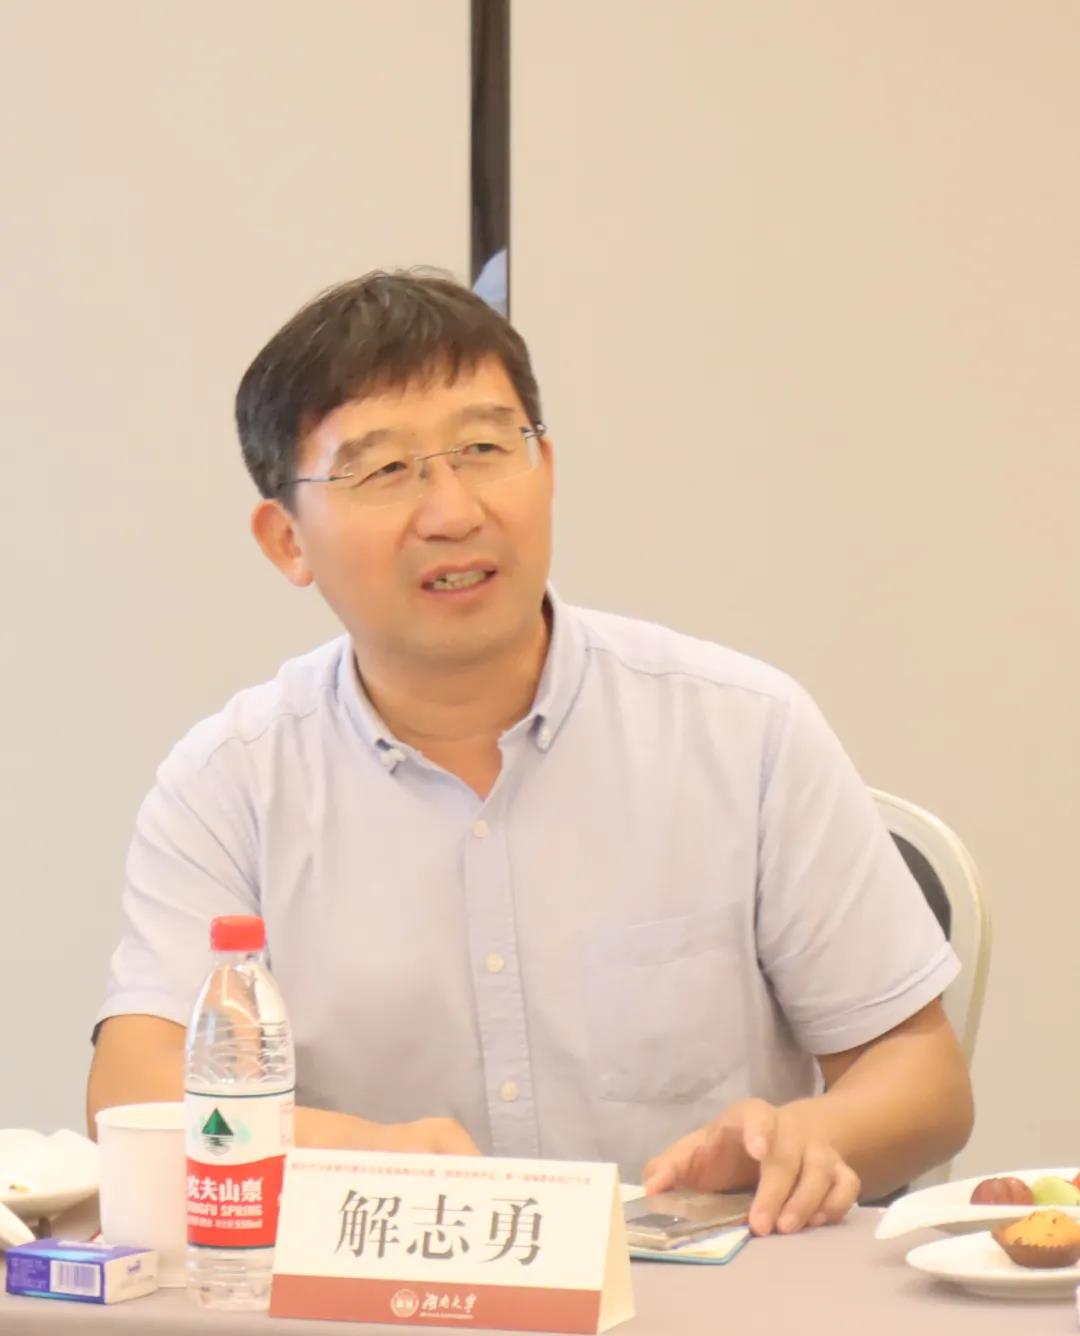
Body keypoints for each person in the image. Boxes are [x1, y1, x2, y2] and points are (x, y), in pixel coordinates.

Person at [87, 270, 973, 1237]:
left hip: (701, 1284)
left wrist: (807, 1136)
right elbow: (133, 1098)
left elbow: (923, 1081)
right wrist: (363, 1156)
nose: (452, 511)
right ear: (286, 541)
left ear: (545, 467)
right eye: (384, 471)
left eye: (484, 448)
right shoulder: (230, 783)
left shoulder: (743, 731)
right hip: (374, 1293)